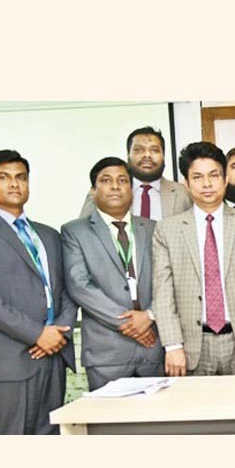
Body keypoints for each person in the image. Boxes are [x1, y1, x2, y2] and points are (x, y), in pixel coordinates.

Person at [0, 150, 77, 434]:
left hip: (53, 354)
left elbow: (67, 291)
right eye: (3, 177)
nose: (14, 184)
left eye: (21, 177)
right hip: (7, 360)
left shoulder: (49, 235)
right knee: (13, 445)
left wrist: (59, 333)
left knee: (51, 441)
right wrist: (37, 334)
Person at [152, 141, 235, 376]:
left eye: (214, 175)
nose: (207, 184)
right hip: (191, 347)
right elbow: (163, 293)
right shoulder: (167, 230)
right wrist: (172, 345)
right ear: (186, 184)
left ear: (225, 179)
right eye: (197, 177)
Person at [61, 157, 163, 391]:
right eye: (106, 181)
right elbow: (79, 286)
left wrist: (149, 315)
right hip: (106, 353)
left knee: (158, 415)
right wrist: (132, 324)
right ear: (93, 190)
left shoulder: (154, 228)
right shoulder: (74, 232)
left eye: (122, 181)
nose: (115, 186)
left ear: (131, 189)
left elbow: (168, 282)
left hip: (153, 348)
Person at [81, 126, 192, 219]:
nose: (147, 155)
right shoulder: (102, 192)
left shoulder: (182, 193)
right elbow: (82, 231)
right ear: (128, 155)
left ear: (163, 156)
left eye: (154, 150)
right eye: (139, 150)